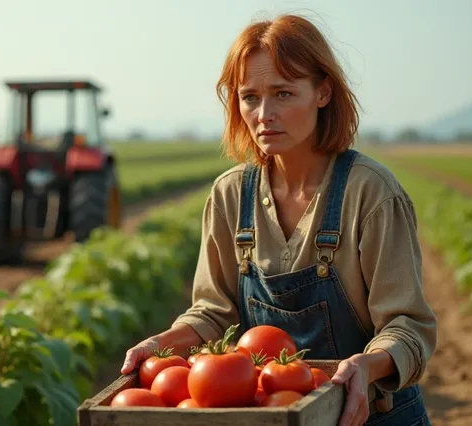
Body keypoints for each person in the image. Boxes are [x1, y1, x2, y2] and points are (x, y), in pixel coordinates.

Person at [120, 13, 437, 426]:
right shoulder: (230, 196)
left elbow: (407, 326)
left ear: (323, 92)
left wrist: (366, 366)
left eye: (284, 94)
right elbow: (213, 312)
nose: (264, 113)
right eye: (249, 96)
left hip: (371, 415)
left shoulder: (371, 192)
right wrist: (163, 343)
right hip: (274, 414)